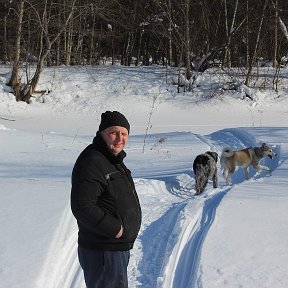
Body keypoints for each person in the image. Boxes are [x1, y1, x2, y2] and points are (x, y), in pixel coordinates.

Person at [71, 111, 142, 288]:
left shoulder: (111, 158)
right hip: (103, 250)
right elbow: (82, 206)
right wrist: (116, 229)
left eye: (124, 133)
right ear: (102, 133)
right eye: (114, 132)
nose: (120, 138)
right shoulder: (92, 161)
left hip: (113, 249)